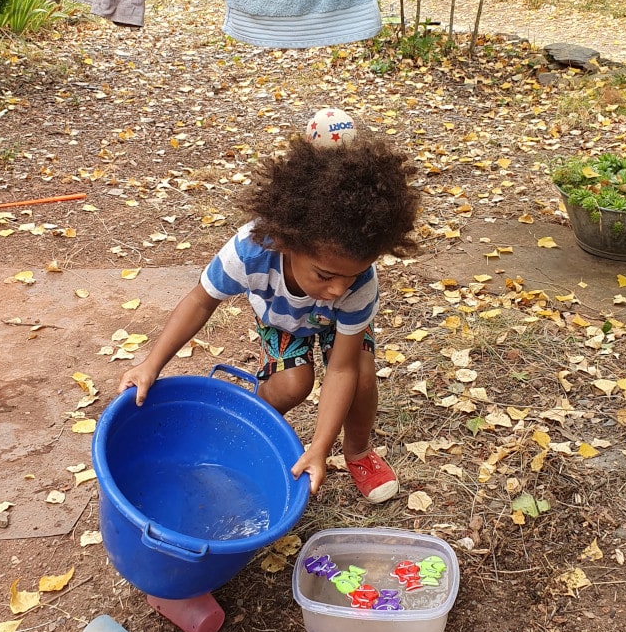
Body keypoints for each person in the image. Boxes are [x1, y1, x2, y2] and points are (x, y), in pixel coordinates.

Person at [117, 131, 420, 503]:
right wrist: (151, 364)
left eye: (353, 275)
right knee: (293, 385)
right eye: (325, 275)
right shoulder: (250, 252)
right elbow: (200, 301)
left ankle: (357, 452)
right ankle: (248, 430)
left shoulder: (358, 287)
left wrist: (319, 448)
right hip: (281, 319)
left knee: (361, 376)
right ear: (287, 243)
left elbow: (341, 370)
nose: (339, 289)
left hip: (336, 327)